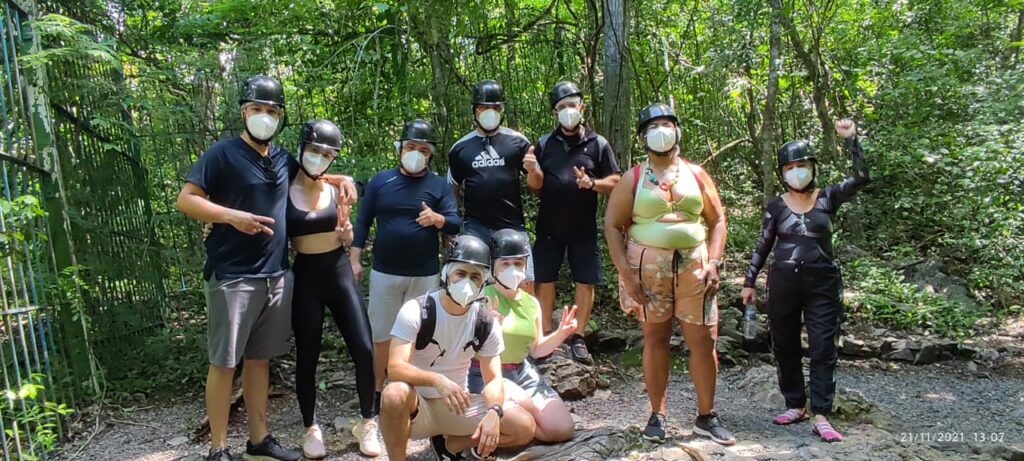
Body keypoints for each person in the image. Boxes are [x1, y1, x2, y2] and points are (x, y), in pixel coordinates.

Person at [176, 75, 301, 461]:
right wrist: (230, 216)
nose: (265, 116)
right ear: (244, 112)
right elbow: (187, 199)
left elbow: (308, 183)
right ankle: (218, 448)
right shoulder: (221, 154)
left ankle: (259, 441)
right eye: (257, 109)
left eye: (272, 111)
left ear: (281, 117)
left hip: (275, 275)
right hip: (232, 275)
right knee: (224, 361)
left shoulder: (283, 158)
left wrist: (341, 179)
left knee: (260, 360)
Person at [604, 103, 734, 445]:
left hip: (695, 264)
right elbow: (613, 226)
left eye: (667, 124)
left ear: (677, 131)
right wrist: (626, 274)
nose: (661, 131)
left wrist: (714, 261)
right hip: (648, 266)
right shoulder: (633, 178)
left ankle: (706, 416)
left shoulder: (696, 173)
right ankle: (657, 415)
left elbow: (717, 219)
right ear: (644, 136)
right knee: (655, 338)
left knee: (703, 340)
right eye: (653, 126)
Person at [741, 119, 867, 443]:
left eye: (802, 165)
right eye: (791, 167)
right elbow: (763, 244)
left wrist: (852, 139)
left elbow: (861, 177)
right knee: (784, 344)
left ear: (812, 167)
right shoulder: (776, 206)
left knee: (824, 346)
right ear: (783, 172)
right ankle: (795, 403)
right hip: (782, 283)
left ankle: (822, 413)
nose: (797, 171)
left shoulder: (828, 198)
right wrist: (749, 282)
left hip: (823, 283)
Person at [379, 235, 536, 461]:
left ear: (483, 282)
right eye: (460, 274)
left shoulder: (484, 321)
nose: (467, 283)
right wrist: (437, 380)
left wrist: (494, 412)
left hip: (457, 406)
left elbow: (493, 379)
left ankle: (451, 445)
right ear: (446, 275)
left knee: (524, 426)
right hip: (416, 407)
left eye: (475, 277)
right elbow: (395, 368)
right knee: (394, 393)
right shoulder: (417, 311)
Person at [351, 119, 461, 406]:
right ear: (400, 149)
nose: (416, 153)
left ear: (430, 154)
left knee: (418, 333)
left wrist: (438, 219)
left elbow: (455, 221)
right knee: (381, 333)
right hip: (385, 271)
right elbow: (362, 222)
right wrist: (354, 258)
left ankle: (409, 389)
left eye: (422, 149)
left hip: (424, 273)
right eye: (410, 146)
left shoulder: (438, 186)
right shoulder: (380, 181)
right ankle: (378, 389)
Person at [286, 120, 379, 458]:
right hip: (305, 276)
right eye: (314, 151)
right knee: (307, 354)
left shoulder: (335, 188)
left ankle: (368, 422)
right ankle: (311, 427)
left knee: (364, 348)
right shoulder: (283, 188)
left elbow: (349, 237)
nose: (320, 158)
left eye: (328, 154)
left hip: (338, 270)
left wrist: (346, 233)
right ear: (302, 149)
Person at [529, 81, 620, 363]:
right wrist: (532, 170)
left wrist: (592, 183)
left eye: (572, 105)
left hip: (583, 226)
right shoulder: (544, 143)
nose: (568, 111)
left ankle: (578, 337)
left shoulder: (598, 143)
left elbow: (616, 181)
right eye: (561, 107)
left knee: (585, 280)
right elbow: (535, 186)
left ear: (582, 107)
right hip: (548, 226)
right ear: (554, 113)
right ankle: (544, 335)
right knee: (545, 280)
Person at [467, 229, 577, 443]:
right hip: (487, 375)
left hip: (522, 371)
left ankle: (522, 430)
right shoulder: (481, 298)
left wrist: (561, 333)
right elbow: (463, 346)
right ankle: (481, 436)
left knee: (561, 429)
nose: (513, 270)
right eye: (505, 264)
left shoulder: (531, 302)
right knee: (523, 421)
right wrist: (487, 329)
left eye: (518, 263)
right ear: (493, 266)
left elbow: (536, 349)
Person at [448, 80, 540, 294]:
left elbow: (537, 187)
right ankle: (480, 326)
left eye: (495, 108)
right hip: (475, 229)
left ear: (502, 110)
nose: (490, 112)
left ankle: (526, 327)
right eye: (484, 107)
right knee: (475, 285)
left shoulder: (517, 141)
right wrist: (452, 229)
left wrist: (534, 171)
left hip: (512, 225)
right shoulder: (460, 148)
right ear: (474, 110)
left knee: (524, 285)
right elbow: (453, 189)